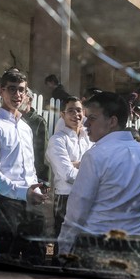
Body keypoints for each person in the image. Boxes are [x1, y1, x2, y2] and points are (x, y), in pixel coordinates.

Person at [58, 92, 140, 255]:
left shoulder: (95, 156)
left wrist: (64, 248)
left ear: (112, 121)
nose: (86, 123)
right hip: (133, 247)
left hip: (96, 246)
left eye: (92, 118)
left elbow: (77, 211)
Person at [0, 69, 48, 264]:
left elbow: (30, 166)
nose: (17, 95)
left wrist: (36, 188)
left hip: (32, 201)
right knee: (5, 259)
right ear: (1, 91)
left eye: (21, 90)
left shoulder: (26, 127)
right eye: (12, 89)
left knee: (36, 257)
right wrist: (23, 193)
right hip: (5, 203)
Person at [45, 96, 92, 242]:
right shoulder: (57, 140)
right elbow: (68, 175)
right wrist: (90, 171)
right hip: (66, 198)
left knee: (83, 244)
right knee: (64, 243)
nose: (75, 114)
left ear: (83, 113)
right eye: (70, 110)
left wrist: (79, 164)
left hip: (88, 198)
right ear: (62, 114)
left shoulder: (89, 137)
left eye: (78, 110)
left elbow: (101, 165)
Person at [20, 89, 49, 183]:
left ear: (30, 100)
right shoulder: (13, 119)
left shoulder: (38, 122)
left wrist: (44, 178)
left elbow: (43, 151)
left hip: (33, 175)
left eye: (23, 95)